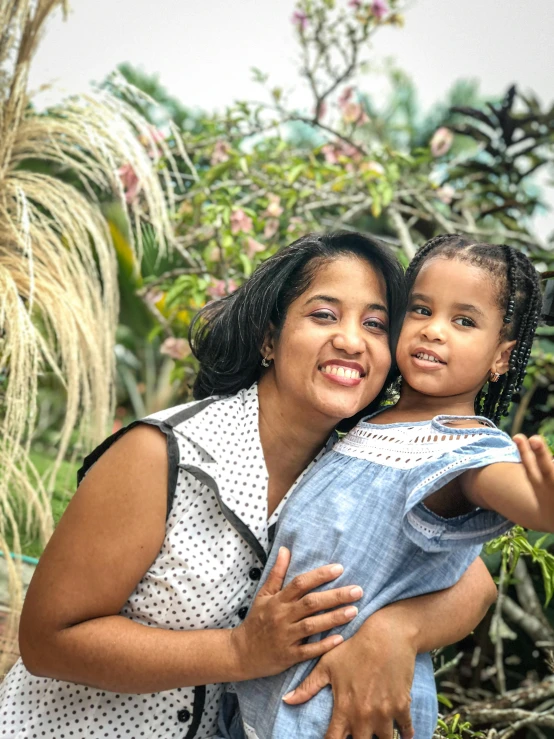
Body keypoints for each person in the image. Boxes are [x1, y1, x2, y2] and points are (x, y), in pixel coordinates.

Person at [0, 232, 497, 739]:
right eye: (324, 315)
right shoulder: (162, 454)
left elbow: (475, 583)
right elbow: (46, 642)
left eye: (374, 324)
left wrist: (396, 631)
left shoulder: (357, 466)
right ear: (268, 338)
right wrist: (240, 651)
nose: (351, 340)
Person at [232, 234, 551, 739]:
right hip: (272, 684)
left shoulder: (464, 450)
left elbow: (499, 484)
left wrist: (541, 504)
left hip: (350, 704)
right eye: (421, 310)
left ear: (501, 357)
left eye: (464, 321)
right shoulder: (365, 417)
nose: (434, 331)